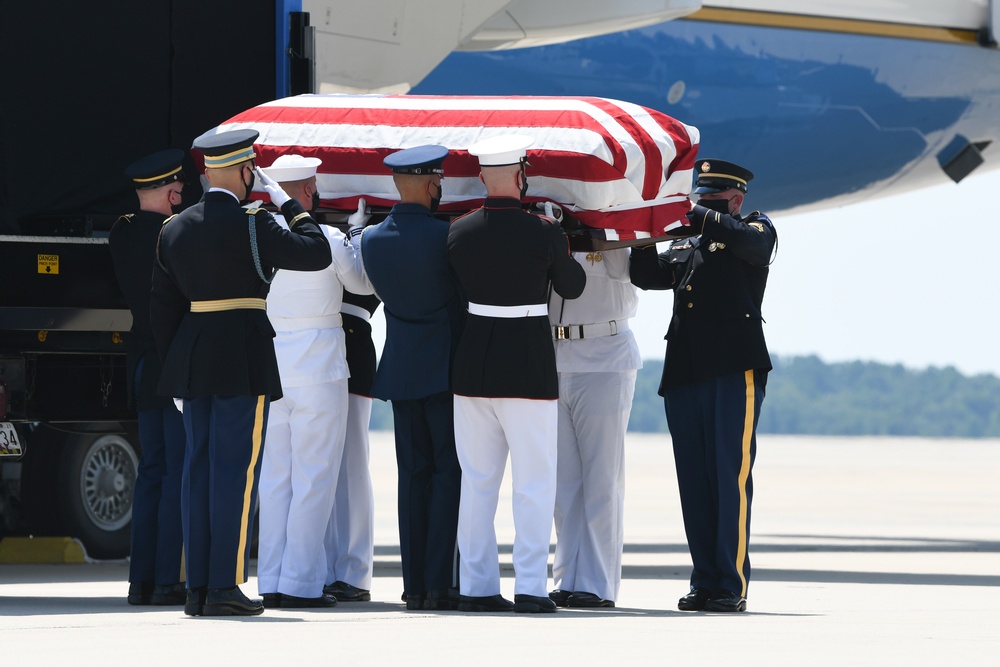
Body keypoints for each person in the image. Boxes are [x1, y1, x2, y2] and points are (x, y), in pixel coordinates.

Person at [149, 129, 332, 617]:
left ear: (207, 172)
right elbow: (316, 251)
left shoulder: (174, 228)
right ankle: (224, 586)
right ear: (248, 171)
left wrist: (176, 371)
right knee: (235, 472)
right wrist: (288, 204)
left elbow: (162, 310)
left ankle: (197, 588)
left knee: (198, 471)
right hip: (240, 359)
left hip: (192, 358)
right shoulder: (255, 223)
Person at [629, 158, 776, 613]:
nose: (701, 209)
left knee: (728, 477)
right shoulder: (690, 241)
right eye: (700, 200)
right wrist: (642, 229)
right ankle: (704, 580)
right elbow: (647, 275)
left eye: (712, 202)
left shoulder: (755, 229)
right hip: (687, 372)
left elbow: (747, 244)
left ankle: (730, 584)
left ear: (736, 200)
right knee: (694, 481)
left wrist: (694, 214)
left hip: (734, 369)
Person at [446, 135, 586, 614]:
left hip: (473, 367)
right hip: (526, 366)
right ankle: (530, 588)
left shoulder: (459, 231)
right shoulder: (542, 230)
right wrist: (561, 241)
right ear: (521, 176)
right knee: (534, 481)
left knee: (477, 481)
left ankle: (476, 587)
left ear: (484, 176)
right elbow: (573, 285)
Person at [255, 154, 372, 609]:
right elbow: (361, 285)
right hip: (319, 369)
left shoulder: (257, 236)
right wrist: (358, 234)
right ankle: (301, 583)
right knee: (315, 478)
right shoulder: (326, 237)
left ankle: (271, 578)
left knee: (276, 478)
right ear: (306, 191)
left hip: (274, 364)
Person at [358, 144, 465, 611]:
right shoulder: (448, 237)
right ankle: (440, 583)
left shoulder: (371, 241)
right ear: (431, 184)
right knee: (447, 474)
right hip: (444, 369)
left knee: (412, 477)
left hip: (401, 370)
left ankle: (415, 585)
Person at [110, 149, 187, 607]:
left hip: (141, 361)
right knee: (176, 472)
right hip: (171, 362)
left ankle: (141, 580)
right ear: (168, 188)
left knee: (151, 472)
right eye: (177, 185)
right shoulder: (172, 234)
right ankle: (167, 579)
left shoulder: (122, 232)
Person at [547, 245, 641, 609]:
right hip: (555, 357)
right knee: (564, 484)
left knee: (602, 479)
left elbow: (624, 269)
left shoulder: (614, 234)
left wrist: (598, 230)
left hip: (605, 357)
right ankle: (568, 577)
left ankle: (598, 582)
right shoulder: (553, 235)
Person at [323, 289, 382, 603]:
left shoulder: (361, 236)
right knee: (316, 467)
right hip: (310, 342)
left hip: (351, 338)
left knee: (352, 467)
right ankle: (324, 568)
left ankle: (353, 572)